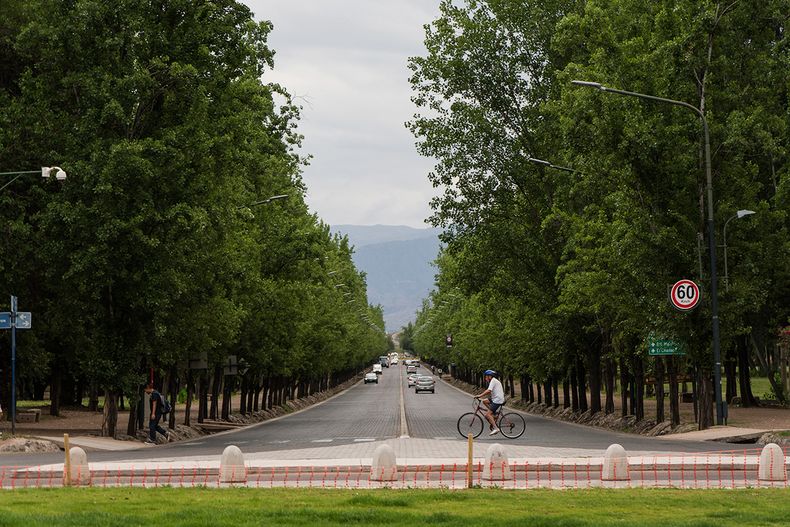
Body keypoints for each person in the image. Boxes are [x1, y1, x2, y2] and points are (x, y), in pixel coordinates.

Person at [474, 369, 505, 435]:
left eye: (486, 376)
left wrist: (480, 395)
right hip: (495, 398)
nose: (485, 378)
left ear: (490, 376)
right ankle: (494, 414)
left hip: (498, 400)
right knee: (484, 401)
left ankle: (496, 428)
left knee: (487, 414)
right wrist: (482, 397)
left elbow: (488, 391)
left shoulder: (493, 381)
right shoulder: (493, 381)